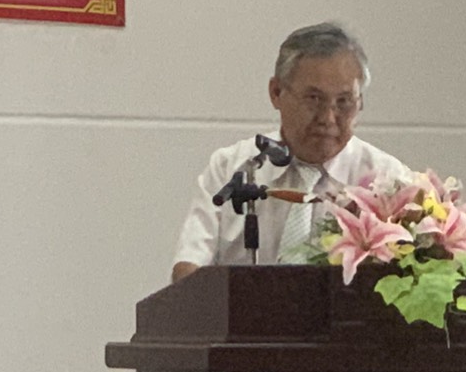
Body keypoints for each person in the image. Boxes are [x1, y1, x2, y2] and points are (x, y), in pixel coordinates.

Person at [171, 22, 411, 282]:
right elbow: (188, 270)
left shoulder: (389, 181)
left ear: (360, 102)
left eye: (344, 102)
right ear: (276, 93)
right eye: (314, 99)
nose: (328, 118)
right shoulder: (232, 168)